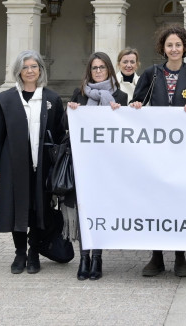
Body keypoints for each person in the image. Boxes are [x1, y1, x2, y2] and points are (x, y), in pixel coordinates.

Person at [129, 24, 186, 277]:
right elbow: (137, 103)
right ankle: (155, 256)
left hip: (185, 152)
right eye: (169, 45)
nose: (174, 49)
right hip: (158, 153)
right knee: (156, 203)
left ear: (185, 47)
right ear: (163, 49)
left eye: (178, 44)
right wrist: (134, 106)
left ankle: (180, 257)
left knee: (181, 203)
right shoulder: (152, 74)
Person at [0, 51, 65, 275]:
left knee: (39, 209)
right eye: (25, 67)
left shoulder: (52, 99)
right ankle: (20, 252)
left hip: (43, 166)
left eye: (34, 66)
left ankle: (34, 252)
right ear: (19, 72)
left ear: (41, 70)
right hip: (13, 165)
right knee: (17, 209)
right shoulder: (6, 99)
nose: (30, 71)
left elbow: (60, 134)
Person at [65, 52, 128, 281]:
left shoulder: (119, 95)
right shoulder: (80, 94)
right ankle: (84, 258)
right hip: (84, 162)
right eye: (94, 68)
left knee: (100, 209)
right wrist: (70, 110)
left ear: (109, 70)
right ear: (89, 71)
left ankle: (98, 257)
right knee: (84, 209)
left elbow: (126, 128)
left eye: (102, 67)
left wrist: (122, 112)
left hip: (107, 163)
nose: (98, 71)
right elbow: (67, 126)